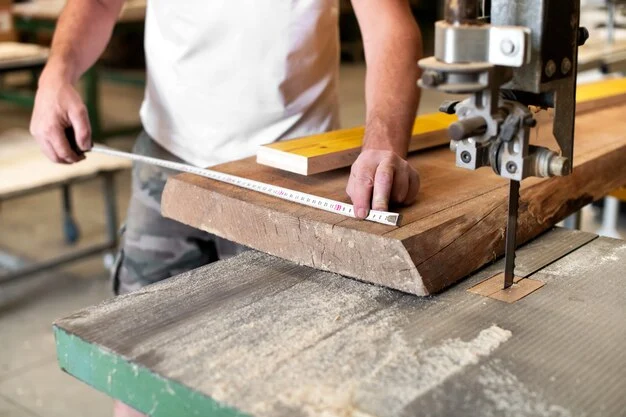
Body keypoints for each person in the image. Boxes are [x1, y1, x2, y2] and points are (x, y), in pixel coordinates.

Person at [30, 0, 422, 415]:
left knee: (288, 378)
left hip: (288, 173)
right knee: (140, 367)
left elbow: (387, 24)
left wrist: (383, 143)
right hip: (168, 158)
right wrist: (57, 73)